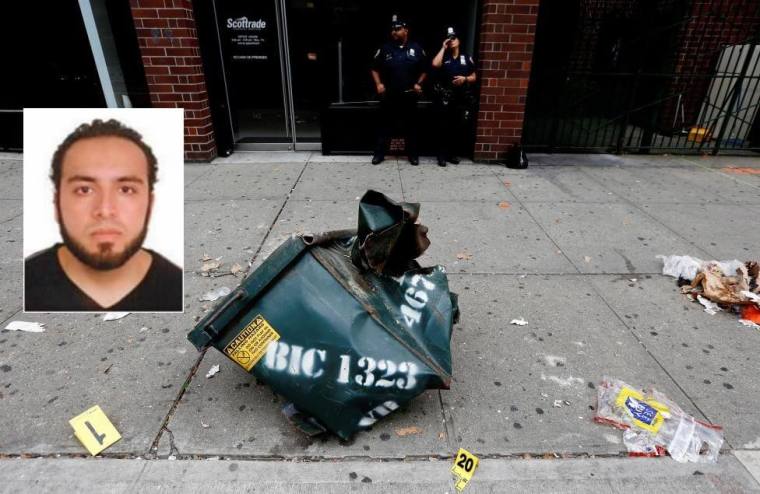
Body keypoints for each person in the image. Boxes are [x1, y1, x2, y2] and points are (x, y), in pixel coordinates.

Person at [24, 119, 182, 312]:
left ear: (150, 204)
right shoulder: (28, 282)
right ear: (56, 203)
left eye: (126, 189)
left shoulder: (173, 286)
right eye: (84, 190)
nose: (105, 210)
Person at [371, 14, 427, 166]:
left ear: (406, 30)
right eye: (392, 30)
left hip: (409, 95)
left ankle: (413, 155)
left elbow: (424, 69)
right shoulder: (385, 49)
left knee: (411, 127)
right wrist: (378, 84)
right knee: (384, 125)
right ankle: (379, 154)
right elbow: (374, 69)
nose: (394, 32)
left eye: (397, 29)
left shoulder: (416, 48)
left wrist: (418, 83)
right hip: (390, 94)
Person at [431, 27, 477, 167]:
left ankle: (452, 154)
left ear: (459, 40)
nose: (451, 41)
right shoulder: (444, 56)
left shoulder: (466, 57)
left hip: (461, 97)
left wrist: (465, 79)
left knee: (457, 127)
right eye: (449, 39)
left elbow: (474, 76)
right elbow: (434, 64)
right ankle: (441, 156)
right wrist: (443, 47)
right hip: (446, 97)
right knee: (443, 127)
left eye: (454, 38)